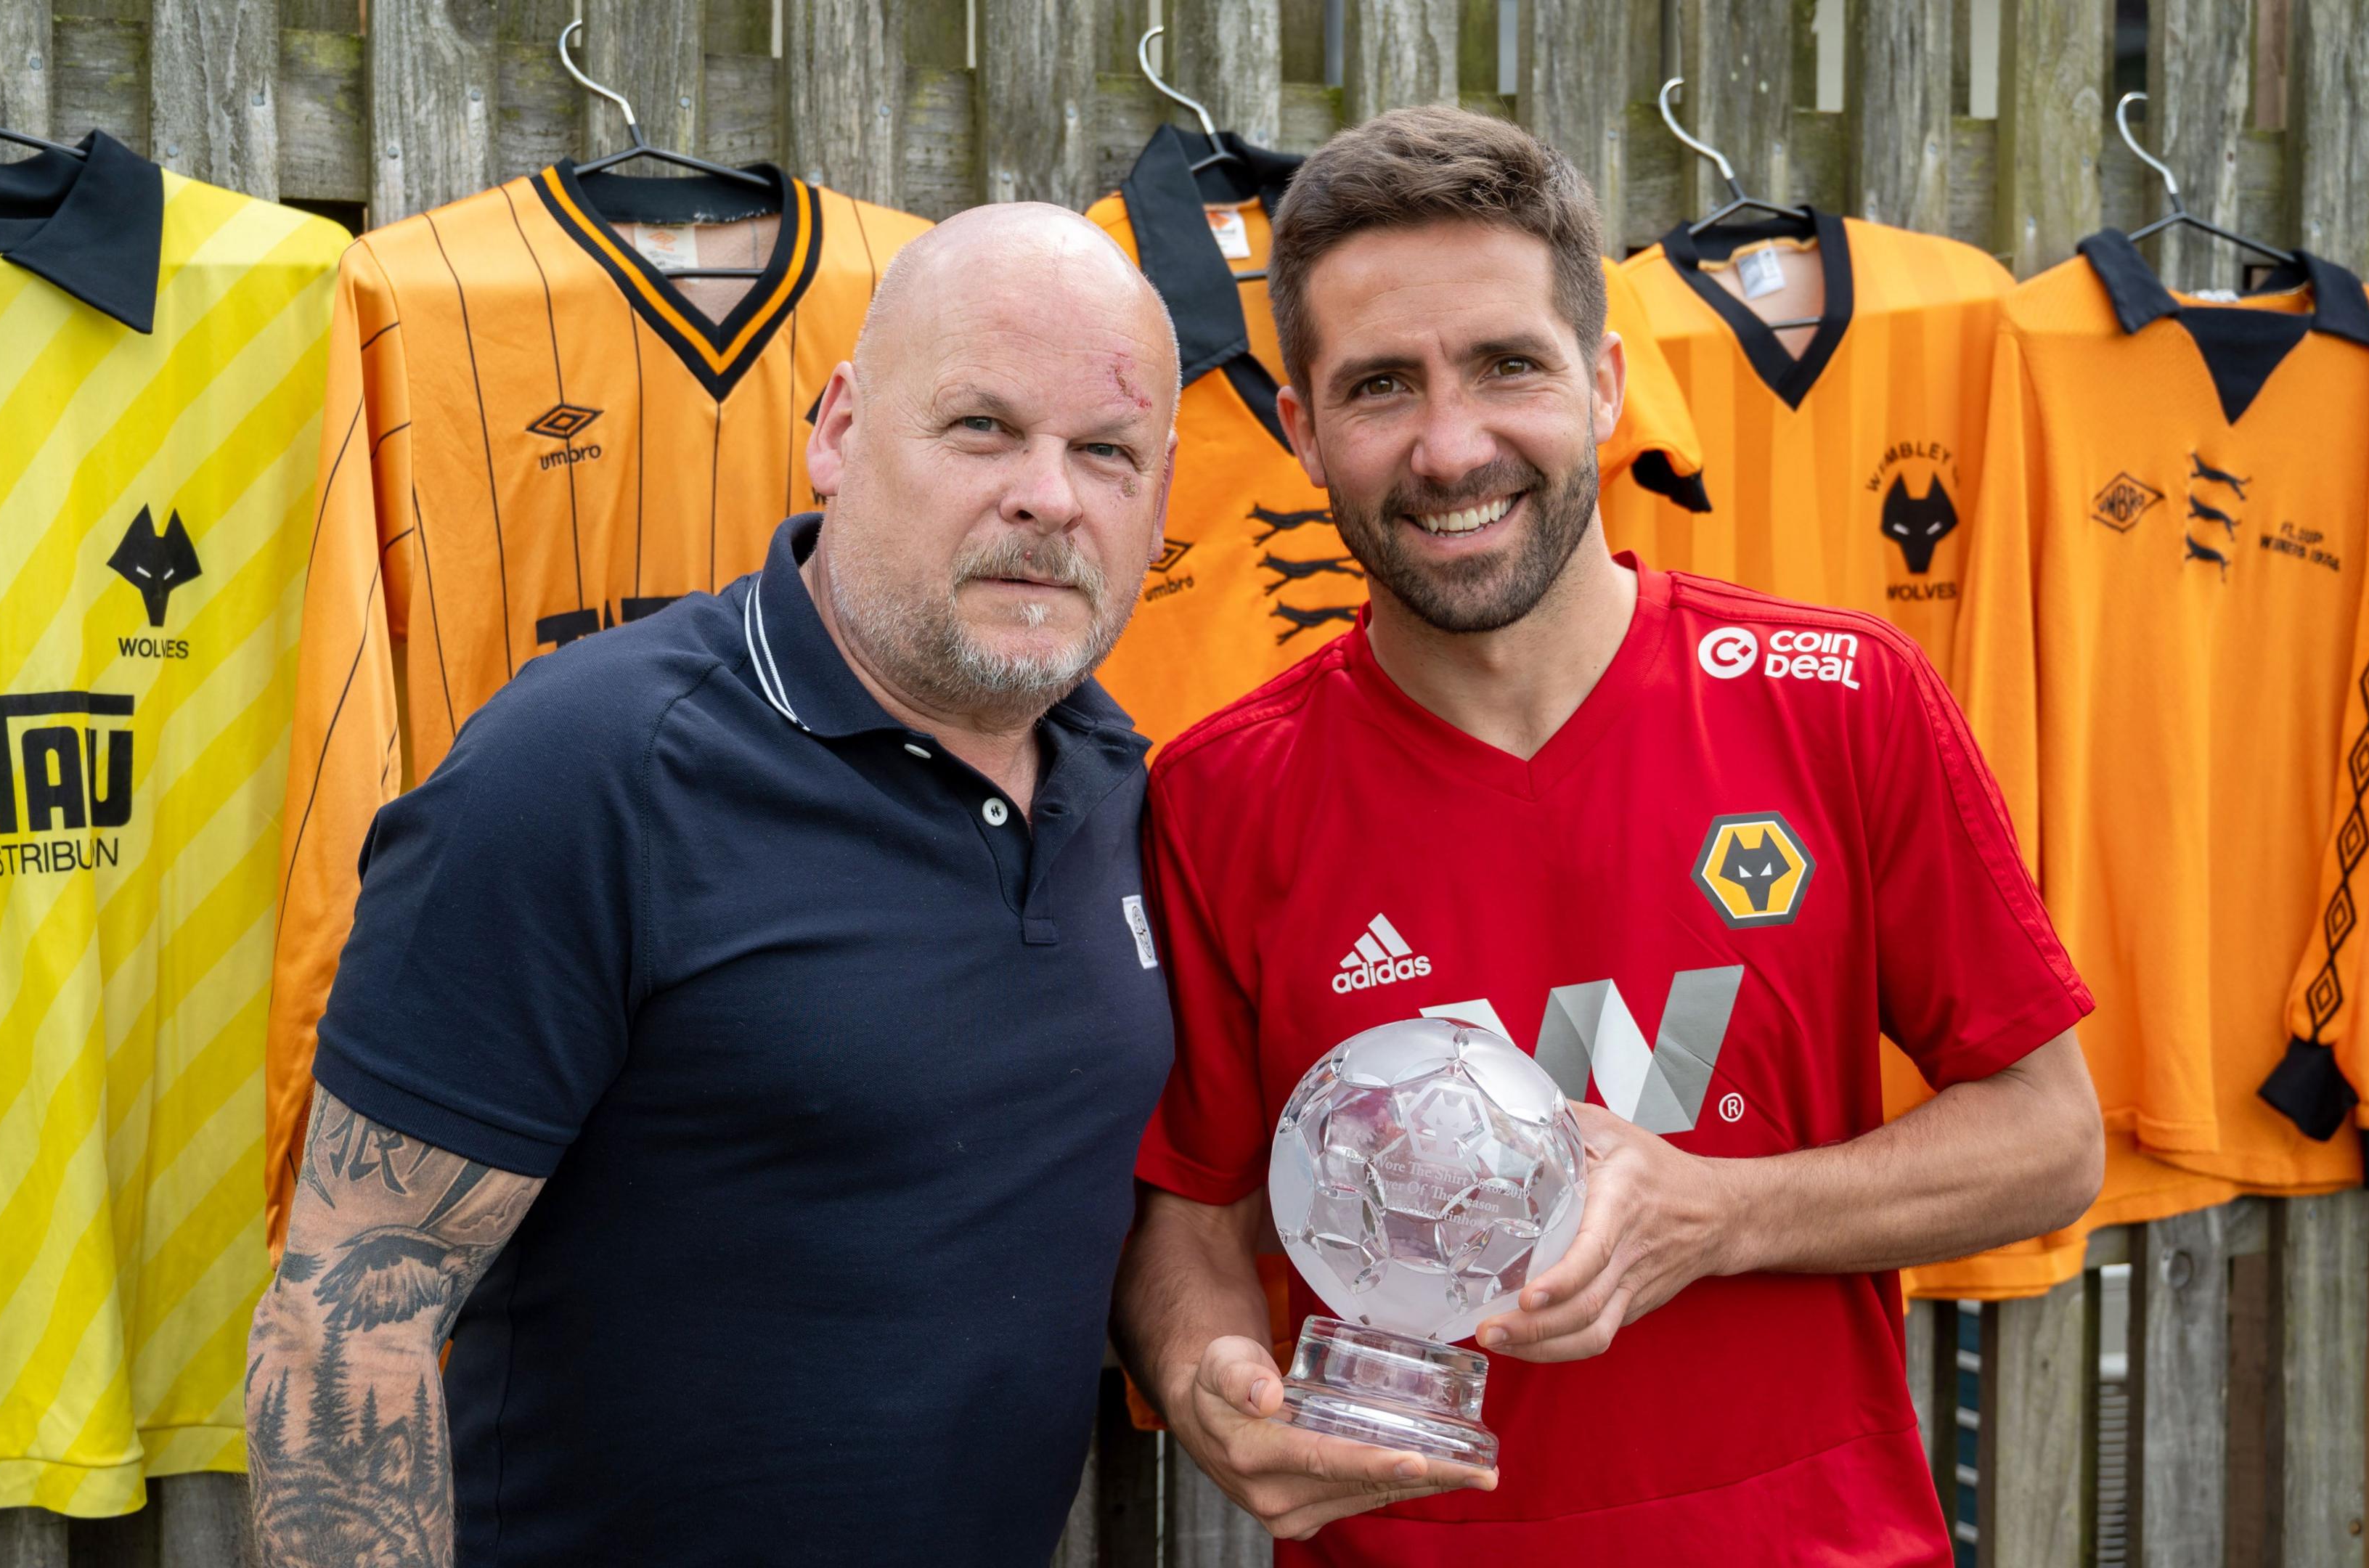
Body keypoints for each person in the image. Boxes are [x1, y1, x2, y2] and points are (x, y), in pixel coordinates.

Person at [1110, 106, 2105, 1562]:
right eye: (1382, 386)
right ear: (1299, 431)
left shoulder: (1841, 700)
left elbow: (2049, 1138)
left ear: (1605, 385)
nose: (1453, 448)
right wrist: (1208, 1387)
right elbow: (1187, 1229)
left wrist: (1722, 1214)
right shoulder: (1216, 797)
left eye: (1508, 364)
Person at [245, 204, 1183, 1567]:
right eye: (982, 428)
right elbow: (347, 1321)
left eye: (1106, 451)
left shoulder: (1121, 785)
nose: (1050, 495)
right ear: (842, 432)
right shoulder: (590, 768)